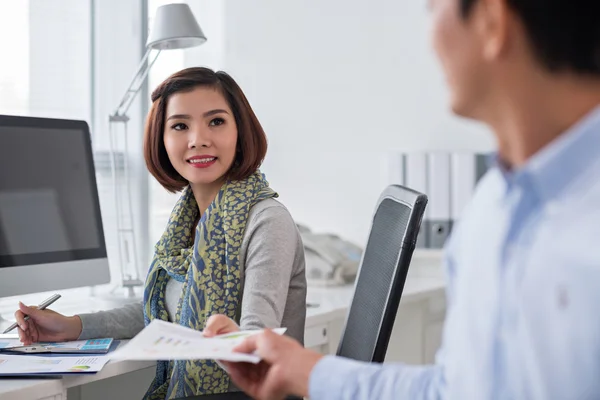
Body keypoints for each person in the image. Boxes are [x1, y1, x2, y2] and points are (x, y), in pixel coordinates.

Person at [218, 0, 600, 398]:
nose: (429, 36)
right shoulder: (490, 212)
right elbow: (456, 390)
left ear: (492, 22)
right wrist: (306, 372)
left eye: (433, 7)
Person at [14, 67, 307, 399]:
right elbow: (162, 312)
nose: (198, 139)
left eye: (216, 121)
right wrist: (73, 325)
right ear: (162, 139)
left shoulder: (266, 221)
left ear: (241, 131)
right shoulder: (186, 223)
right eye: (180, 125)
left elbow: (258, 355)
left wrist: (211, 340)